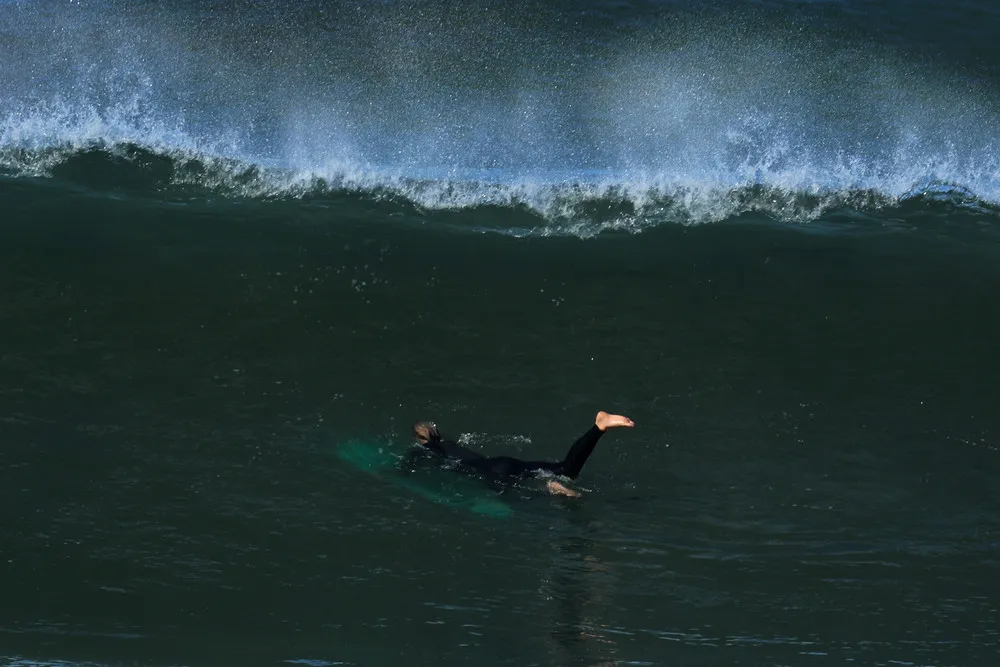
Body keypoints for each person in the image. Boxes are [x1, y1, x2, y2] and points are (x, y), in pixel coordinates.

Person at [401, 411, 635, 496]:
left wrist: (400, 471)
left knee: (517, 496)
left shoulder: (429, 448)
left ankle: (549, 488)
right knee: (566, 468)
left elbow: (408, 467)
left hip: (494, 473)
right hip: (503, 462)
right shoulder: (451, 441)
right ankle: (599, 427)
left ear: (421, 439)